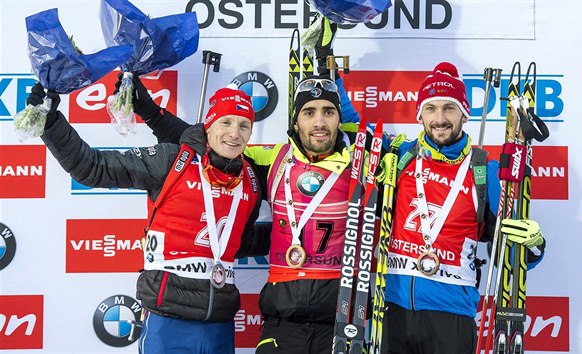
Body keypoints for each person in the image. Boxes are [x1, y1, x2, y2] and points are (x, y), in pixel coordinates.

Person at [125, 18, 363, 354]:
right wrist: (149, 111)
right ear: (296, 121)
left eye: (328, 113)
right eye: (309, 112)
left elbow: (357, 128)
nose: (320, 121)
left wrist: (328, 65)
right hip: (285, 312)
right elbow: (216, 145)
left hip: (338, 314)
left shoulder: (361, 160)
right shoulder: (274, 161)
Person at [30, 82, 270, 354]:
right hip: (168, 320)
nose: (234, 133)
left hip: (220, 323)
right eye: (225, 122)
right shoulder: (172, 161)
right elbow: (92, 167)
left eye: (244, 125)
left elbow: (240, 242)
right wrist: (50, 122)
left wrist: (296, 238)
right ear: (209, 125)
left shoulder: (249, 180)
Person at [381, 62, 547, 354]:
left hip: (451, 317)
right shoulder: (399, 156)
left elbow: (509, 258)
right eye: (431, 108)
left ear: (464, 114)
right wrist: (322, 61)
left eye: (449, 108)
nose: (440, 118)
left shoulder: (485, 172)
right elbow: (344, 125)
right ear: (420, 115)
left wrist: (533, 246)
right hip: (392, 311)